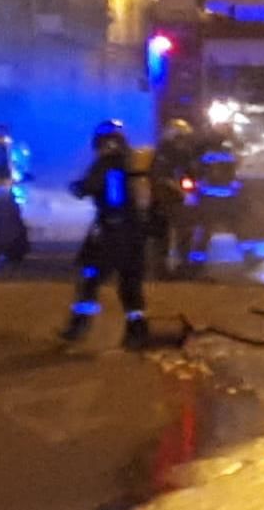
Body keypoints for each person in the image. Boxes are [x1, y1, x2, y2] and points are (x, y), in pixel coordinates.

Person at [62, 119, 152, 348]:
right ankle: (137, 331)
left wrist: (78, 187)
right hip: (135, 233)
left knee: (90, 275)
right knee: (130, 284)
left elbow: (90, 187)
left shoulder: (105, 164)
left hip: (109, 232)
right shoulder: (134, 163)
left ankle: (79, 325)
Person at [182, 118, 242, 269]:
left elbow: (197, 169)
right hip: (221, 196)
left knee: (206, 229)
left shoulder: (205, 148)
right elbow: (233, 169)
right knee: (230, 228)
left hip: (211, 196)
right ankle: (197, 262)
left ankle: (196, 263)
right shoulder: (223, 149)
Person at [149, 118, 195, 278]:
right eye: (180, 136)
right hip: (163, 198)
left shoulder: (185, 152)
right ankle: (160, 270)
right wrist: (181, 191)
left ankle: (184, 267)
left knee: (185, 233)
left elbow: (189, 172)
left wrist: (190, 189)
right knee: (162, 235)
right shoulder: (164, 151)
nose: (183, 140)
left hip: (179, 199)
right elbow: (162, 176)